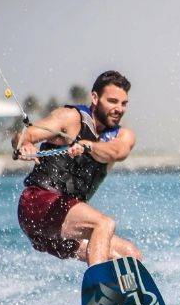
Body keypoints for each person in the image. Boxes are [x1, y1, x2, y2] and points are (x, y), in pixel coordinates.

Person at [12, 70, 142, 266]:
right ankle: (99, 283)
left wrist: (88, 146)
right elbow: (24, 135)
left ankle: (116, 296)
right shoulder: (71, 119)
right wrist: (23, 144)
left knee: (130, 256)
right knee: (103, 223)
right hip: (37, 206)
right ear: (95, 98)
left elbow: (117, 151)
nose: (119, 109)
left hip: (62, 229)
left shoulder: (122, 136)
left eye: (124, 104)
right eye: (112, 101)